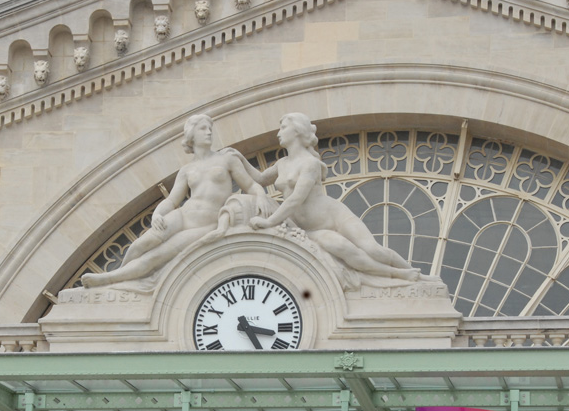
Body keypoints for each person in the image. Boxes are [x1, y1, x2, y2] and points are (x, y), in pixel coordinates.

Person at [229, 112, 424, 282]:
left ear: (297, 131)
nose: (279, 133)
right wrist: (240, 158)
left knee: (372, 250)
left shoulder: (310, 164)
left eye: (283, 127)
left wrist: (269, 222)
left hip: (332, 216)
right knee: (347, 252)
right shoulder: (282, 163)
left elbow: (296, 198)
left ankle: (417, 277)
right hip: (308, 229)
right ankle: (398, 275)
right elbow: (260, 178)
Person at [81, 115, 272, 288]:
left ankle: (109, 280)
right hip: (182, 216)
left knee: (157, 256)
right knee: (140, 244)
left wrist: (261, 196)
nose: (209, 132)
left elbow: (251, 185)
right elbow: (172, 200)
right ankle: (120, 275)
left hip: (206, 224)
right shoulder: (187, 170)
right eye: (203, 128)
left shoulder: (227, 159)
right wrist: (157, 214)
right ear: (191, 135)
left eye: (210, 129)